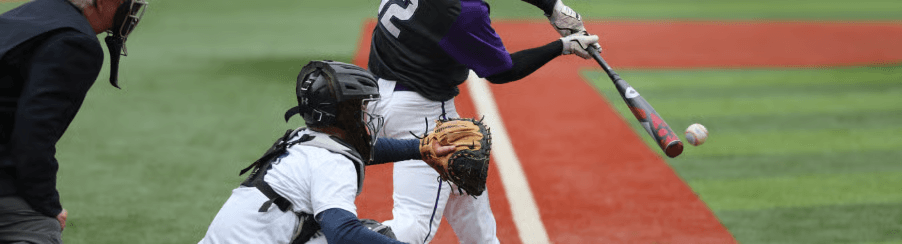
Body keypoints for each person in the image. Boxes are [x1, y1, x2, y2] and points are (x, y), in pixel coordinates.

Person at [367, 0, 599, 242]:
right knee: (413, 228)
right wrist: (563, 46)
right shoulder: (464, 12)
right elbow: (502, 72)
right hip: (422, 114)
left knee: (468, 199)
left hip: (376, 99)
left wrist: (552, 6)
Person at [198, 60, 458, 244]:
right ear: (341, 115)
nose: (366, 113)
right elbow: (342, 233)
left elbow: (363, 150)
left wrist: (422, 148)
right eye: (360, 107)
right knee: (370, 237)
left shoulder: (305, 137)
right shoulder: (332, 164)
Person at [0, 0, 147, 243]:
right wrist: (49, 206)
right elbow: (33, 138)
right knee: (39, 226)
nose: (132, 9)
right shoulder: (74, 42)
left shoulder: (32, 13)